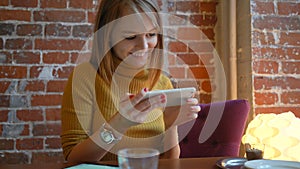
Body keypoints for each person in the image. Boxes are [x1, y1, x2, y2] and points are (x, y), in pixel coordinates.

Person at [60, 0, 201, 164]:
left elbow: (169, 161)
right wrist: (120, 124)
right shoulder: (85, 77)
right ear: (107, 36)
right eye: (130, 37)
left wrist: (171, 125)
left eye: (151, 35)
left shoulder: (162, 82)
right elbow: (73, 159)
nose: (144, 45)